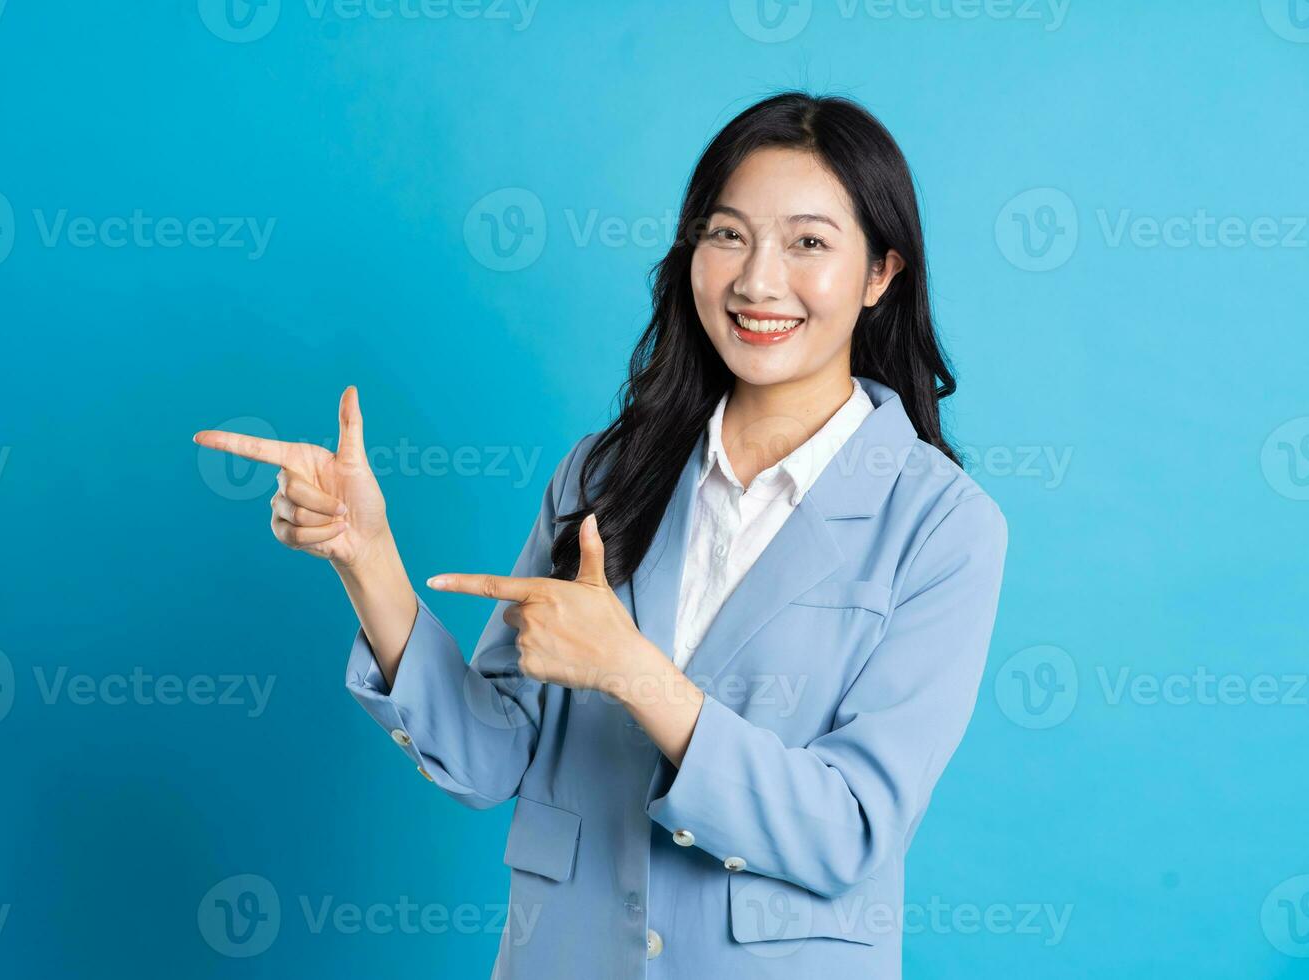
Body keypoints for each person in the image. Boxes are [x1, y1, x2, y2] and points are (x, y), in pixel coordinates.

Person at [195, 91, 1009, 979]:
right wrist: (368, 559)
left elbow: (849, 827)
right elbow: (488, 757)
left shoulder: (942, 525)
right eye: (727, 234)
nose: (757, 281)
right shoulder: (605, 473)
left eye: (809, 243)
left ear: (880, 275)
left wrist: (631, 670)